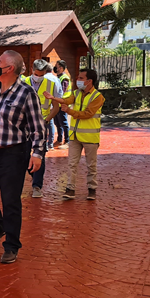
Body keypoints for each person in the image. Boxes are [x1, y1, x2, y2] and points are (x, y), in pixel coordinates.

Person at [0, 50, 46, 264]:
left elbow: (38, 128)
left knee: (10, 201)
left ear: (10, 68)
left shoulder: (26, 93)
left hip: (13, 154)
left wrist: (37, 154)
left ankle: (12, 245)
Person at [45, 68, 105, 200]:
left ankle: (92, 189)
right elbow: (66, 100)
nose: (78, 80)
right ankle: (70, 189)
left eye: (81, 78)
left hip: (90, 137)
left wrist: (69, 112)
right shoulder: (77, 93)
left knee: (91, 165)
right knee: (72, 163)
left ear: (89, 81)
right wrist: (53, 98)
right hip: (75, 136)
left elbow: (88, 114)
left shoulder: (97, 97)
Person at [20, 59, 60, 198]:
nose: (39, 77)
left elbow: (55, 107)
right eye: (37, 74)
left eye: (41, 74)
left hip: (42, 126)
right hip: (24, 127)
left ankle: (37, 186)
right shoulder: (22, 82)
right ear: (32, 70)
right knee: (23, 156)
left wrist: (47, 120)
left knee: (39, 155)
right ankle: (30, 174)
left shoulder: (51, 84)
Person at [52, 60, 72, 148]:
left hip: (63, 104)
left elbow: (61, 92)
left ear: (61, 68)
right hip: (57, 104)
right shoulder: (58, 77)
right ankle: (59, 139)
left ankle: (67, 141)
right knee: (57, 123)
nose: (55, 68)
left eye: (57, 66)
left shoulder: (64, 78)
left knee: (64, 123)